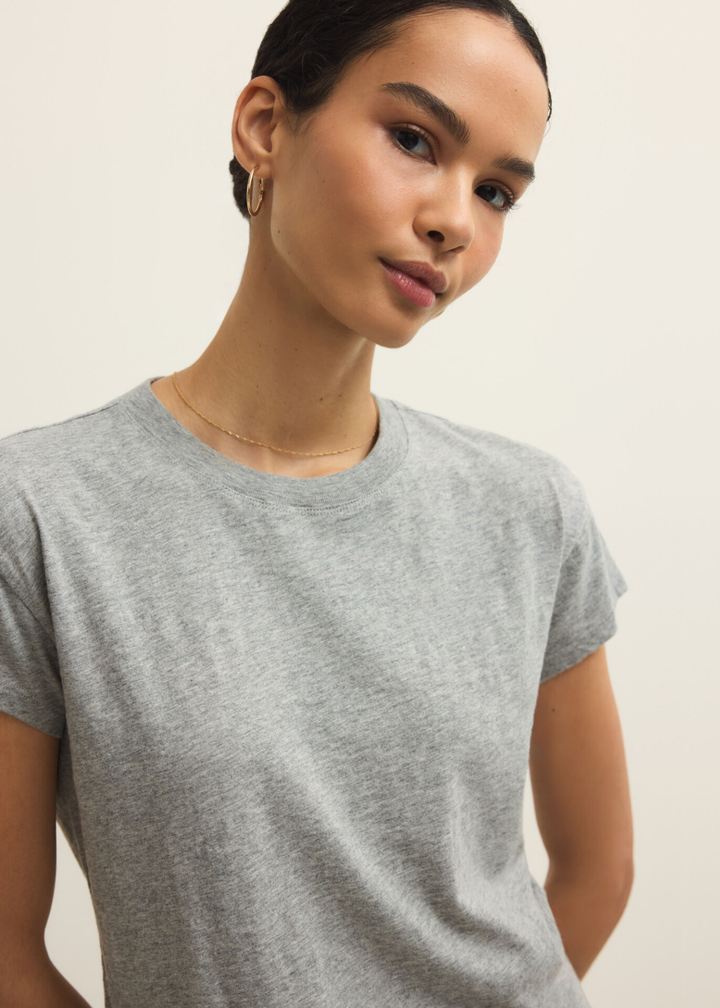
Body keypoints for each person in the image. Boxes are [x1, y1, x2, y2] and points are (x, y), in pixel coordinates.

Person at [0, 1, 634, 1006]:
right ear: (265, 125)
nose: (455, 220)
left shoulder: (528, 510)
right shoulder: (42, 515)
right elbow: (7, 960)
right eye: (415, 140)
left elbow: (599, 871)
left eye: (499, 191)